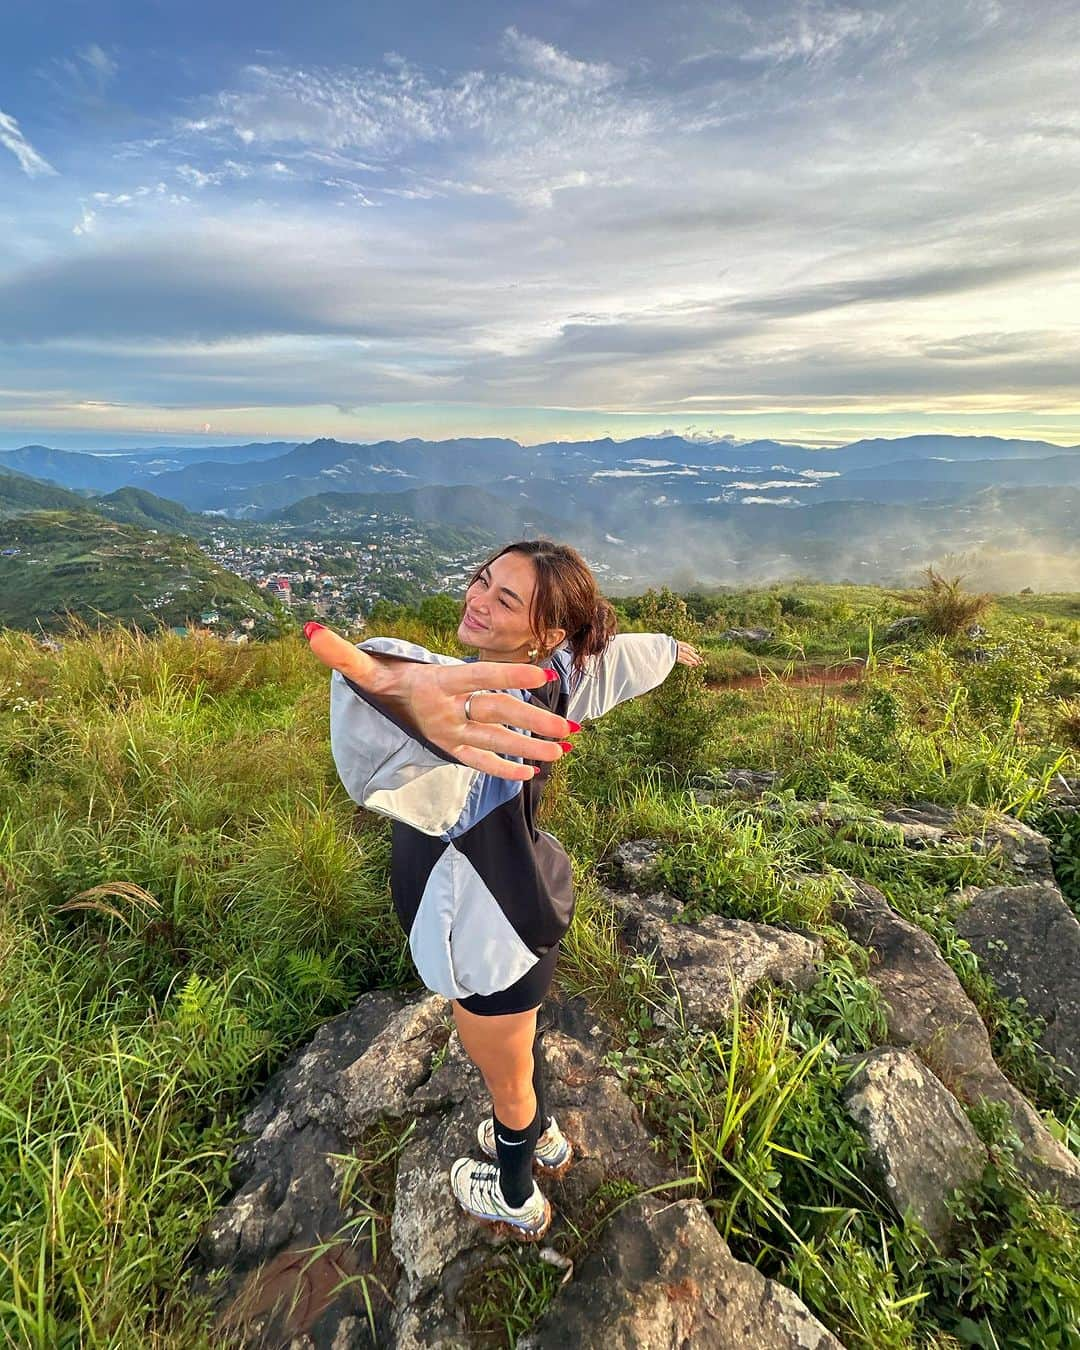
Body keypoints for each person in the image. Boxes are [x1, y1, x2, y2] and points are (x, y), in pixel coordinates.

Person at [304, 539, 704, 1241]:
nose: (478, 599)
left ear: (546, 630)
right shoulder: (562, 671)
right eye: (482, 580)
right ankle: (542, 1139)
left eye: (505, 598)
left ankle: (516, 1194)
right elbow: (622, 661)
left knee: (507, 1080)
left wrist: (389, 694)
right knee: (516, 1056)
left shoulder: (474, 714)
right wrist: (671, 649)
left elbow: (403, 742)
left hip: (486, 938)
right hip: (523, 910)